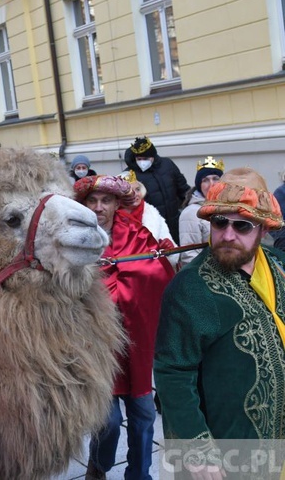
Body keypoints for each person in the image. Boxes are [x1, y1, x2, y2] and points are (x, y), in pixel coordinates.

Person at [155, 168, 285, 446]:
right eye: (219, 222)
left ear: (263, 229)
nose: (227, 235)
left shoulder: (278, 265)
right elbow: (173, 373)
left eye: (242, 226)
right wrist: (198, 449)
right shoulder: (189, 288)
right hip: (232, 447)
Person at [74, 175, 175, 480]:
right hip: (96, 346)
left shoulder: (137, 235)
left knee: (144, 414)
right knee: (108, 420)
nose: (99, 207)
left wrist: (163, 255)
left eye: (106, 200)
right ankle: (100, 465)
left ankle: (139, 474)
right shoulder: (74, 240)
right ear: (84, 204)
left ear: (117, 204)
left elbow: (157, 271)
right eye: (93, 200)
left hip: (135, 344)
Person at [123, 136, 190, 243]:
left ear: (153, 156)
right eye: (139, 159)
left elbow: (183, 189)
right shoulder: (130, 175)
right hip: (153, 227)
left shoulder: (167, 165)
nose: (142, 162)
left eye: (146, 159)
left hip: (175, 222)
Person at [177, 156, 224, 266]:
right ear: (199, 185)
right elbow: (189, 254)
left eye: (216, 179)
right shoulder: (191, 213)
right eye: (205, 180)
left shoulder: (229, 208)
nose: (211, 184)